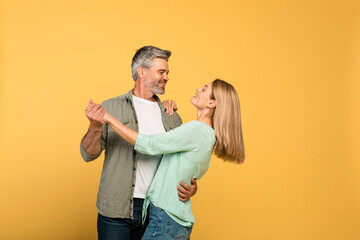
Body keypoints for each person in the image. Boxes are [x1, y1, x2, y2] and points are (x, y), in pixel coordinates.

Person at [88, 79, 245, 240]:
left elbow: (150, 144)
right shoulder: (208, 135)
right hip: (174, 220)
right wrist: (162, 110)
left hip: (166, 219)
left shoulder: (197, 130)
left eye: (204, 89)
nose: (198, 89)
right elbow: (186, 173)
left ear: (212, 103)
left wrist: (108, 118)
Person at [80, 46, 198, 240]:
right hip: (115, 211)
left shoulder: (171, 116)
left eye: (167, 72)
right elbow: (88, 154)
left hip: (157, 211)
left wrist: (192, 187)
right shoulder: (111, 107)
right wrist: (94, 126)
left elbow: (182, 164)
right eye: (161, 72)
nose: (166, 77)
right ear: (141, 72)